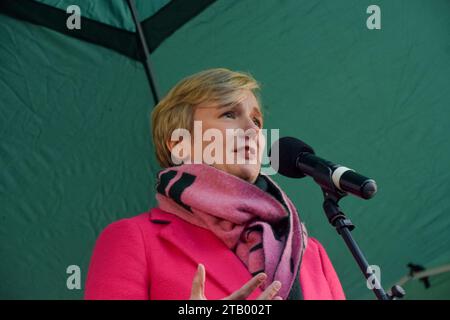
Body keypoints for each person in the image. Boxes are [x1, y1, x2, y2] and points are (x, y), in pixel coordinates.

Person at [84, 68, 345, 300]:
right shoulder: (133, 240)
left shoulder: (311, 254)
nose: (253, 130)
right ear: (180, 144)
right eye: (229, 114)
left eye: (256, 120)